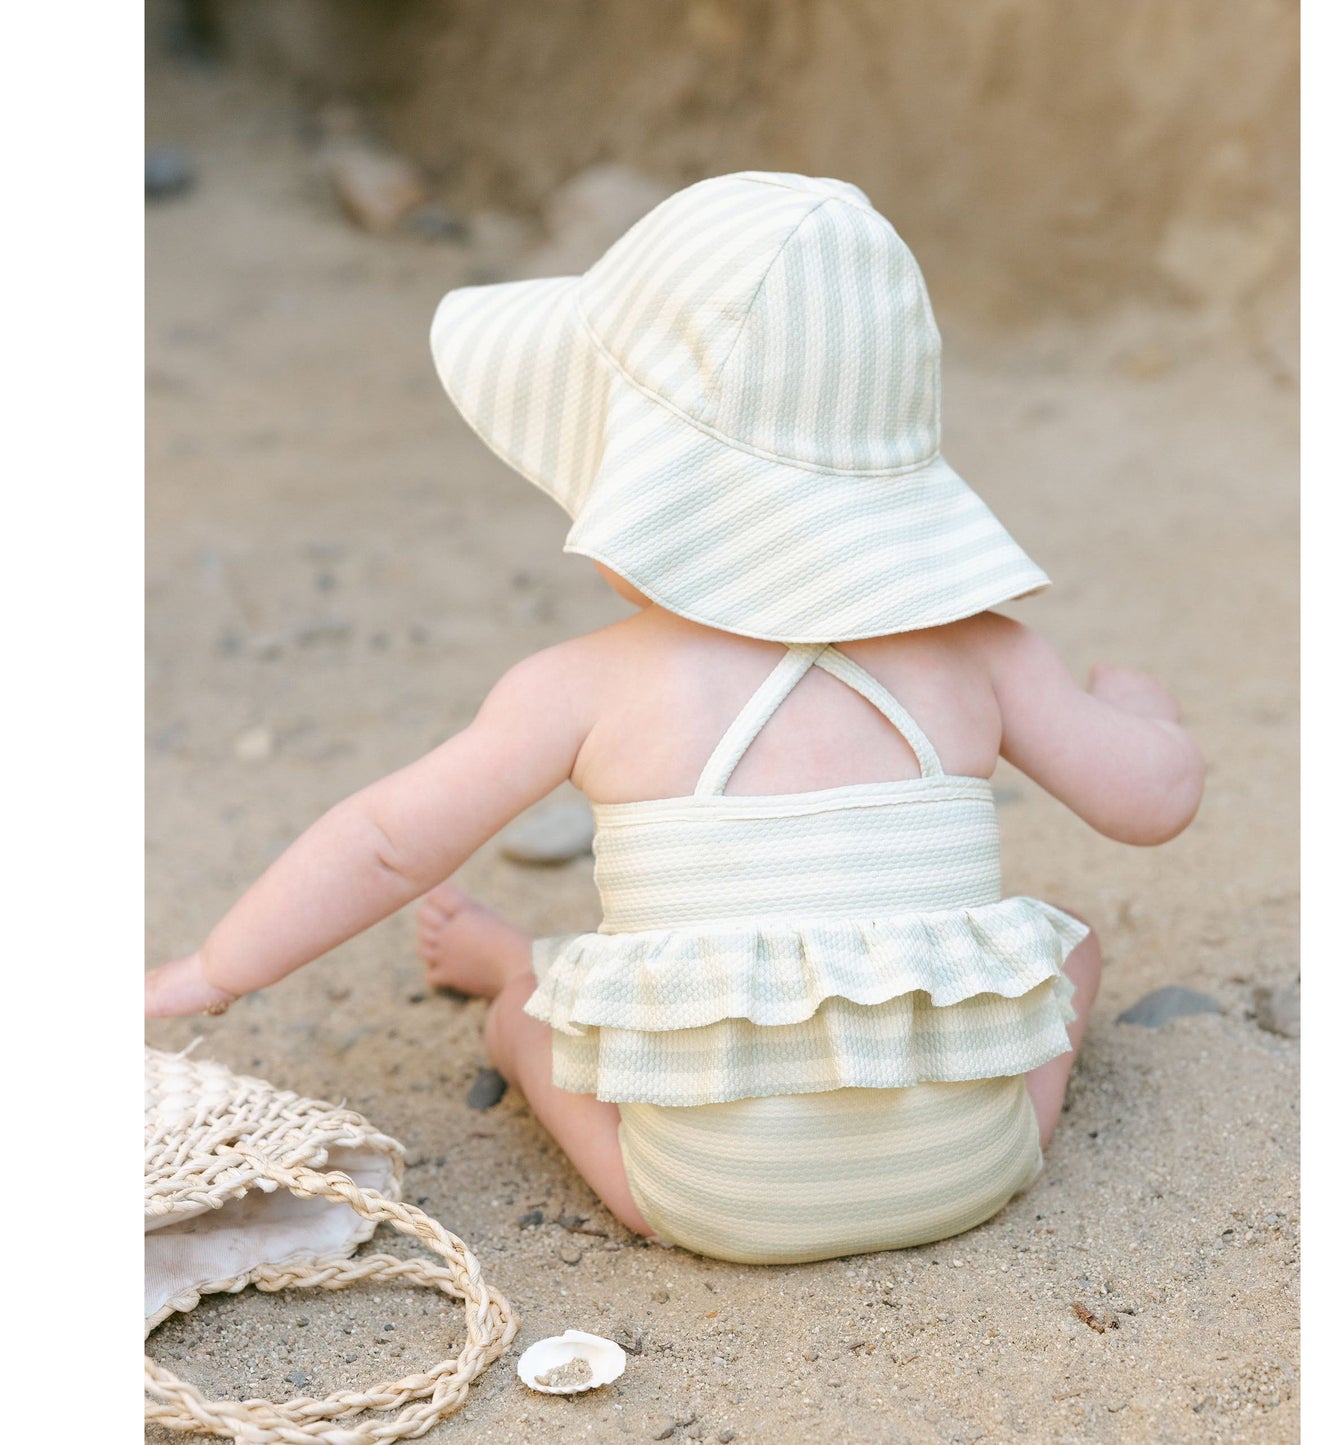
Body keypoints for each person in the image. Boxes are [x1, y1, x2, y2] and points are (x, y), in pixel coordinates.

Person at [146, 172, 1203, 1264]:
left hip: (705, 1202)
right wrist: (1135, 709)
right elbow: (1151, 799)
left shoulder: (583, 684)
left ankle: (517, 967)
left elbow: (379, 842)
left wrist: (220, 967)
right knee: (1059, 944)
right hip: (977, 1169)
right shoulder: (982, 651)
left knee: (531, 1017)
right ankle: (949, 1127)